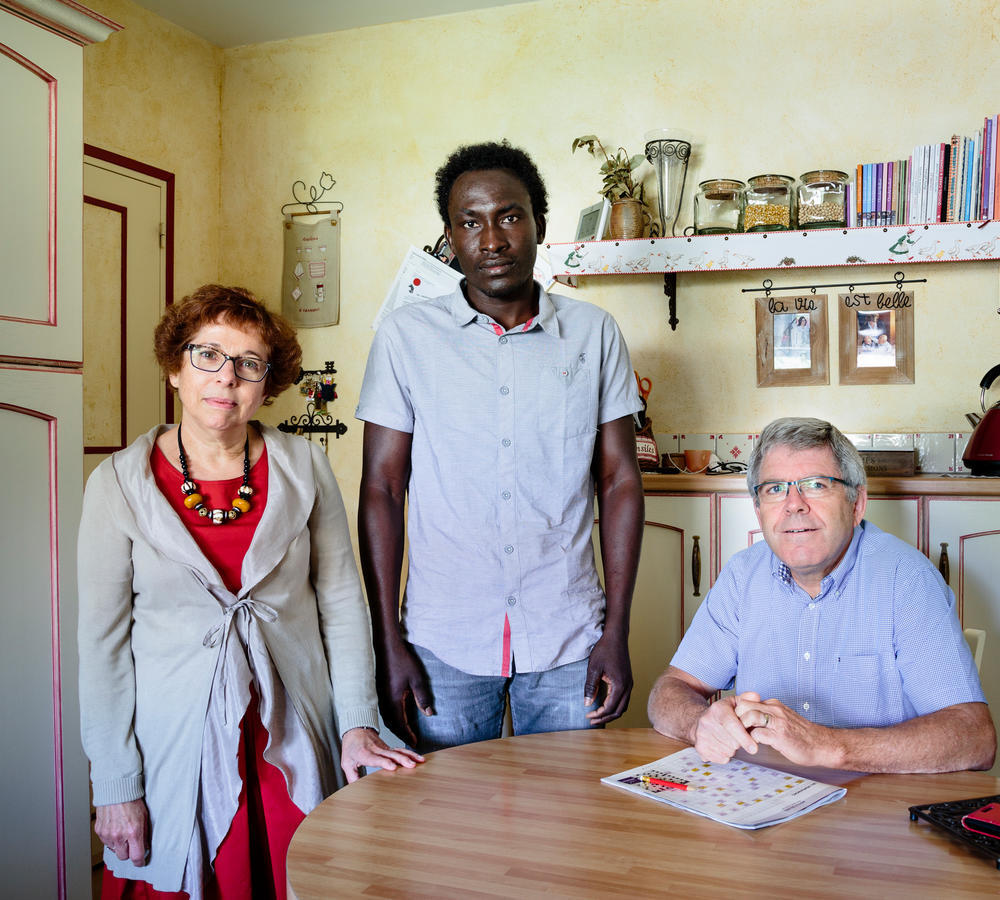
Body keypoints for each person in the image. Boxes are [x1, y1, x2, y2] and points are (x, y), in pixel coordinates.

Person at [78, 285, 423, 899]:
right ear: (174, 368)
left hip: (290, 732)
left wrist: (356, 725)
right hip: (172, 746)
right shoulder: (117, 484)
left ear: (268, 385)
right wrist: (115, 786)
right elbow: (102, 648)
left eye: (248, 364)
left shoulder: (304, 467)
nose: (226, 377)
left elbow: (342, 605)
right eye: (207, 355)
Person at [356, 141, 644, 752]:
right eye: (470, 221)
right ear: (449, 235)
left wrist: (617, 630)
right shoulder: (405, 338)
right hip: (443, 641)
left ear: (539, 220)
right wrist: (389, 643)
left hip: (568, 636)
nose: (492, 240)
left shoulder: (593, 334)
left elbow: (619, 482)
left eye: (510, 216)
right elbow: (382, 489)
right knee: (451, 830)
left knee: (569, 825)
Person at [648, 417, 996, 773]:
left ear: (857, 503)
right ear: (758, 511)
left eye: (815, 485)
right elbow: (669, 691)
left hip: (875, 810)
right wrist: (699, 724)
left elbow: (974, 738)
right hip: (760, 803)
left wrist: (826, 746)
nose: (793, 504)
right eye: (774, 489)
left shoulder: (907, 580)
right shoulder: (742, 576)